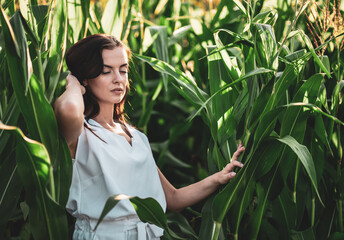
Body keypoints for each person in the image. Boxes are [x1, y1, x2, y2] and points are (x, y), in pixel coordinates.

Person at [54, 33, 245, 240]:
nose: (118, 79)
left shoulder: (136, 137)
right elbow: (70, 108)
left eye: (123, 70)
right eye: (106, 71)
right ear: (86, 77)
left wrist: (219, 177)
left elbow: (173, 198)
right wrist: (73, 84)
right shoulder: (81, 134)